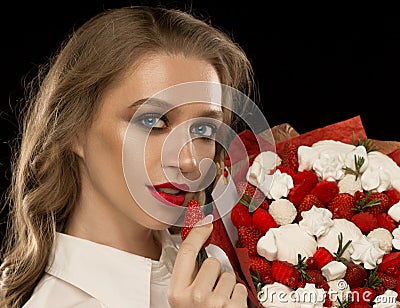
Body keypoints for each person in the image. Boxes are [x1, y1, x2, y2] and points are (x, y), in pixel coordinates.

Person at [0, 5, 260, 308]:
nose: (189, 161)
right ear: (73, 130)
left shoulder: (221, 263)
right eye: (152, 122)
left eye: (202, 128)